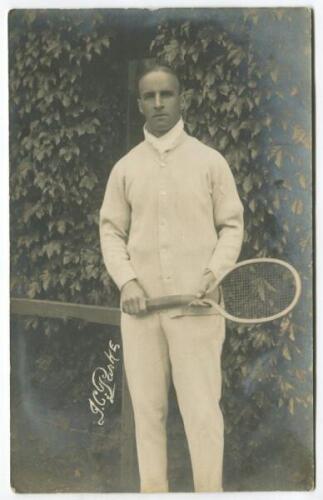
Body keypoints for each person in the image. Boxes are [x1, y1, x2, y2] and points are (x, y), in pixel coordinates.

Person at [99, 64, 244, 493]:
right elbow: (111, 230)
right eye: (150, 96)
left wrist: (212, 273)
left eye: (167, 94)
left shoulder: (209, 162)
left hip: (197, 311)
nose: (159, 103)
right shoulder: (124, 169)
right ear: (139, 103)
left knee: (202, 415)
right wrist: (127, 282)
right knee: (148, 416)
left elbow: (232, 226)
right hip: (142, 316)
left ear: (182, 98)